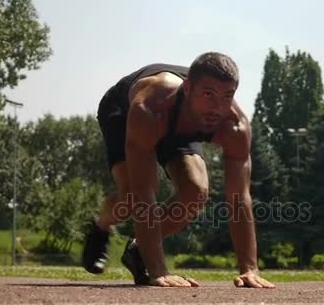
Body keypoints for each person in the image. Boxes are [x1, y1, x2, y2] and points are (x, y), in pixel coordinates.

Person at [82, 52, 275, 288]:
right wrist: (158, 271)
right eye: (208, 94)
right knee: (132, 194)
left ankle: (138, 249)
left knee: (195, 191)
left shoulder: (234, 125)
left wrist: (249, 269)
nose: (218, 107)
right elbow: (145, 192)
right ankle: (101, 226)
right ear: (188, 88)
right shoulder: (150, 108)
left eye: (227, 96)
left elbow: (239, 198)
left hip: (182, 121)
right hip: (124, 111)